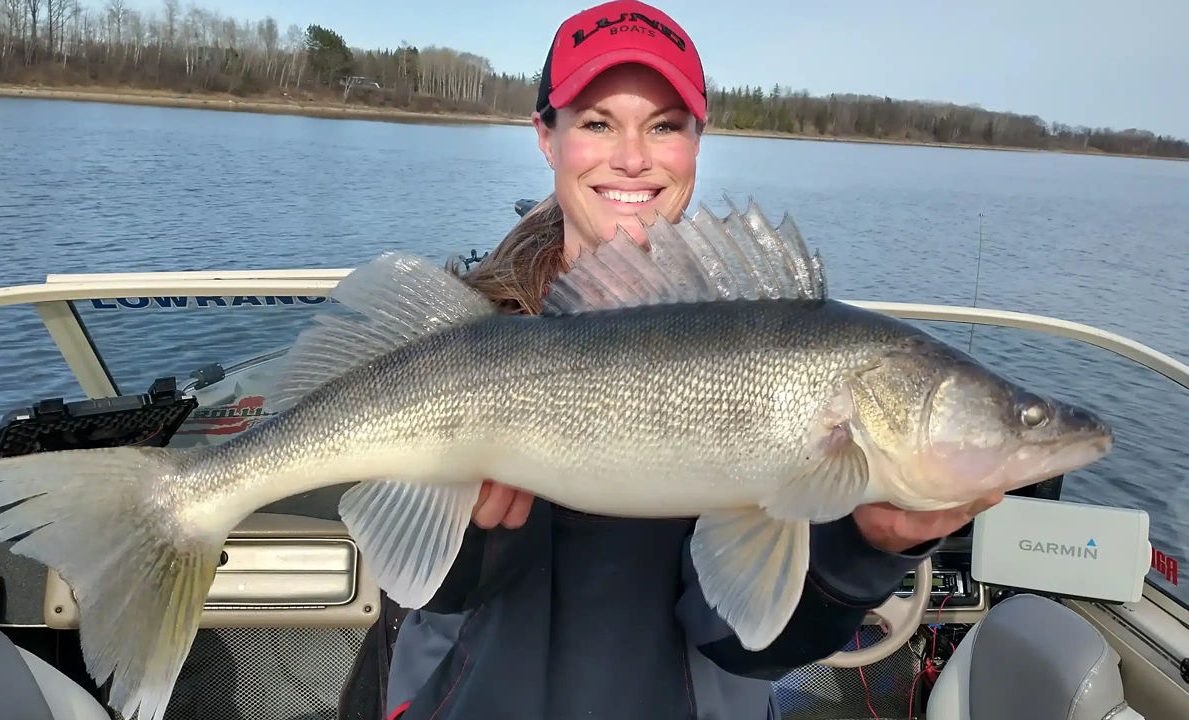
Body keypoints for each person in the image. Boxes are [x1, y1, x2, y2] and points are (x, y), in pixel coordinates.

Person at [378, 2, 1005, 718]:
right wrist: (469, 536)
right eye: (596, 122)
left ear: (697, 143)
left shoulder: (774, 358)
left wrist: (861, 550)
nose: (633, 157)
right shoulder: (459, 342)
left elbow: (747, 639)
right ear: (546, 139)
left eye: (665, 125)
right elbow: (426, 588)